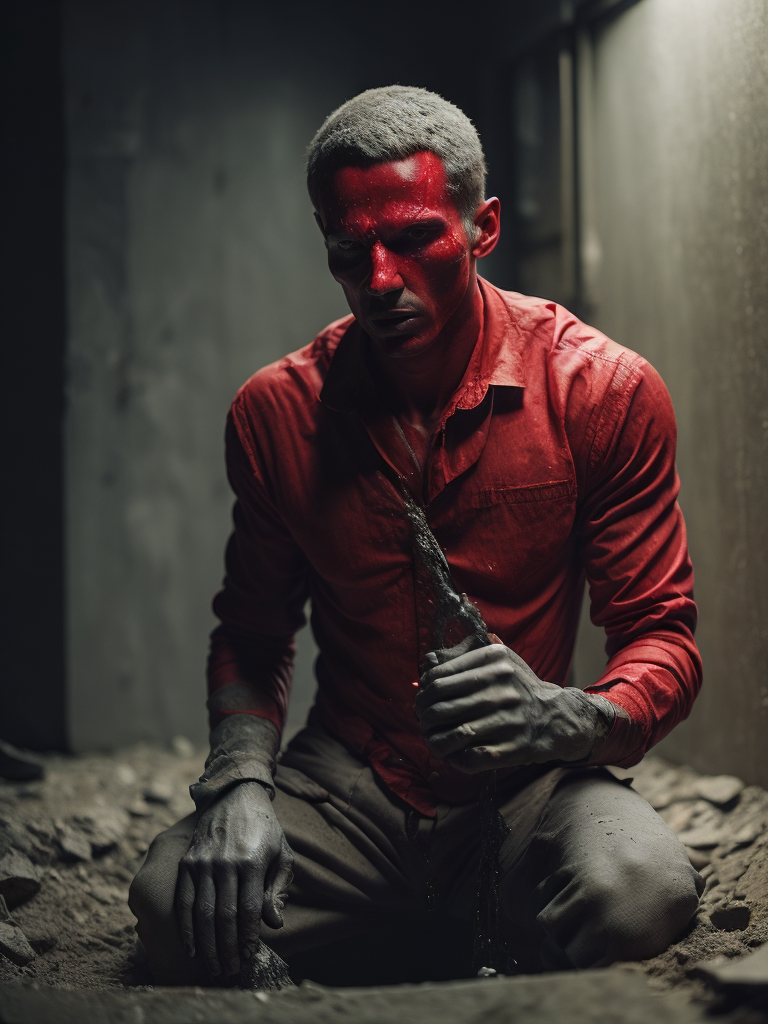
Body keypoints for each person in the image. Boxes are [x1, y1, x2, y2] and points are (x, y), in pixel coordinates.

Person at [129, 85, 704, 986]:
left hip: (526, 785)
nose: (380, 279)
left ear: (484, 227)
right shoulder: (277, 413)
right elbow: (252, 631)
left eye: (414, 239)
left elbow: (662, 635)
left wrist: (566, 716)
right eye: (349, 251)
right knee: (174, 900)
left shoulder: (602, 392)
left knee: (641, 890)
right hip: (349, 784)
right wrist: (240, 785)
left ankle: (483, 960)